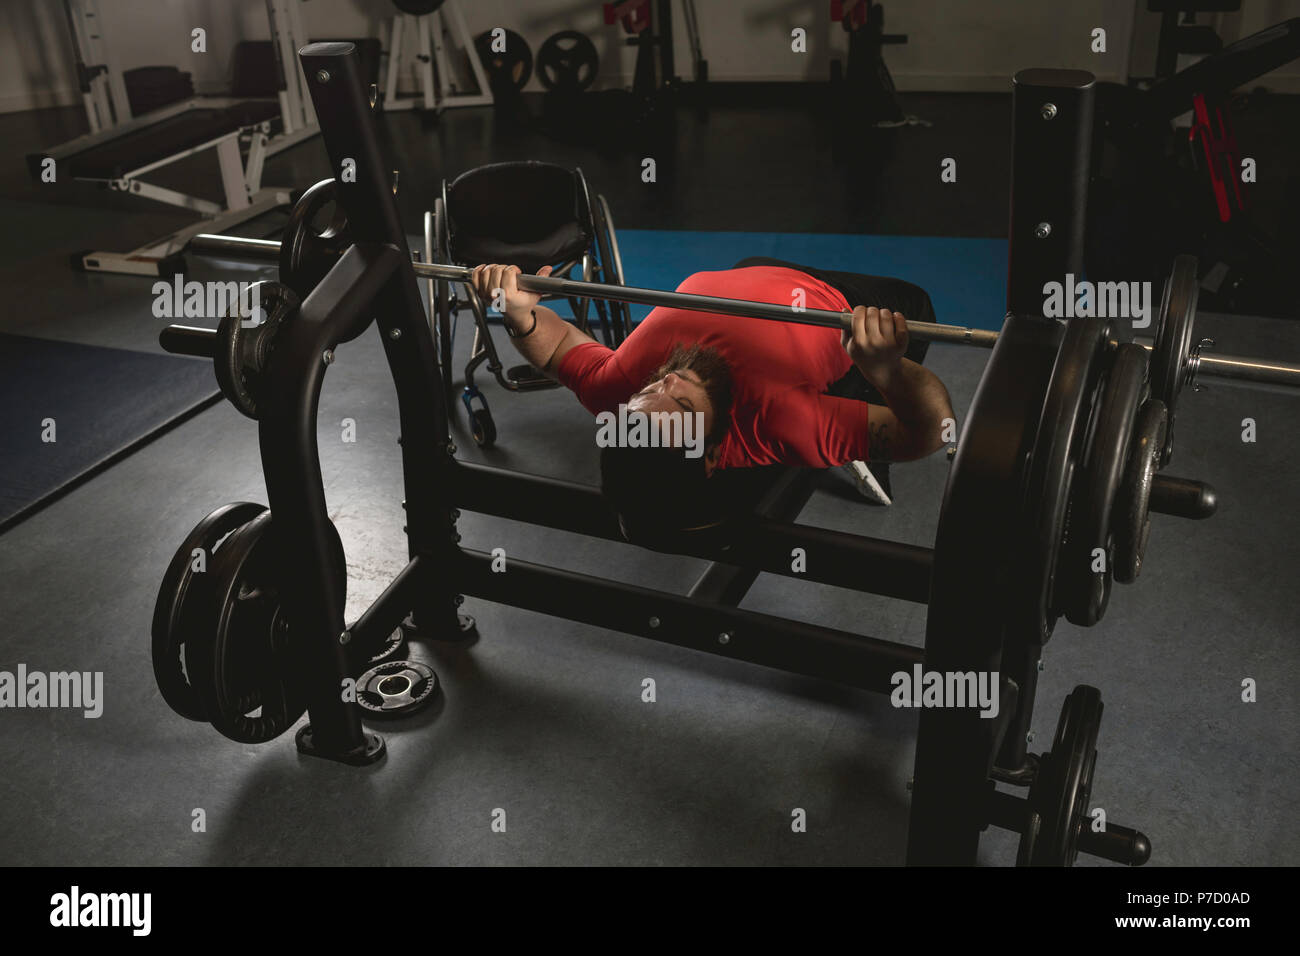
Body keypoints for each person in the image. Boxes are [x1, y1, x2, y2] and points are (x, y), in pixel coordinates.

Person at [468, 258, 954, 537]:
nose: (670, 380)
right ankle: (865, 412)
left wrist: (517, 314)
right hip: (836, 302)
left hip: (749, 272)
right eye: (680, 405)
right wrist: (886, 369)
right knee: (913, 304)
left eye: (651, 390)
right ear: (714, 451)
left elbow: (554, 347)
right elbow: (931, 432)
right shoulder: (784, 419)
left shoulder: (617, 395)